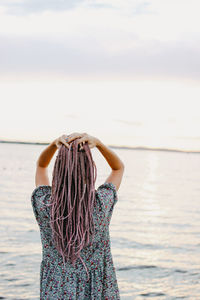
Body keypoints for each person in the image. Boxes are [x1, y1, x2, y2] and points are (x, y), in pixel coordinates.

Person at [31, 132, 124, 299]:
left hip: (55, 289)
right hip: (95, 291)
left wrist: (54, 145)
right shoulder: (101, 204)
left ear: (58, 170)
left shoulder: (45, 205)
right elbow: (118, 168)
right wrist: (99, 144)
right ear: (89, 171)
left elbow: (41, 166)